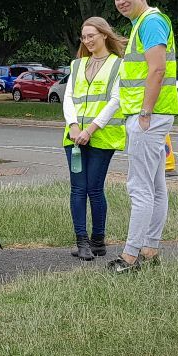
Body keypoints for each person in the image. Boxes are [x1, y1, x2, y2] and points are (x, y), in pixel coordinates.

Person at [109, 0, 178, 274]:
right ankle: (149, 250)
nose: (122, 1)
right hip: (153, 115)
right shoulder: (144, 23)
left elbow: (157, 70)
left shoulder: (150, 22)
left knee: (139, 187)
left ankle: (130, 256)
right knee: (155, 186)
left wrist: (145, 114)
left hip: (148, 117)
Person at [62, 17, 127, 261]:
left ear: (104, 35)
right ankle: (82, 242)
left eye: (92, 35)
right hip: (75, 137)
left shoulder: (118, 65)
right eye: (84, 36)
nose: (87, 40)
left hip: (101, 137)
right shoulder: (77, 64)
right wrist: (74, 126)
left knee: (94, 189)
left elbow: (115, 100)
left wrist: (91, 129)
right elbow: (69, 97)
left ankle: (98, 240)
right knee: (78, 189)